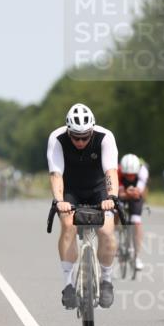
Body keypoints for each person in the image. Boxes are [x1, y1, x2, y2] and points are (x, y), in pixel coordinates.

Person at [47, 103, 120, 309]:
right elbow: (56, 174)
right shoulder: (57, 138)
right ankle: (68, 285)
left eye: (85, 137)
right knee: (68, 226)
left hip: (99, 189)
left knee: (106, 231)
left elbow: (111, 172)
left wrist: (112, 197)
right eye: (76, 137)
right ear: (68, 131)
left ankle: (106, 280)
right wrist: (59, 201)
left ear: (92, 131)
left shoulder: (105, 137)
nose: (80, 142)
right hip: (70, 189)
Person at [117, 153, 149, 271]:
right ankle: (116, 237)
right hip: (122, 193)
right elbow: (119, 192)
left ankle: (136, 256)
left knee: (136, 221)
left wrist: (134, 192)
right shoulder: (118, 171)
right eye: (127, 175)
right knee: (115, 212)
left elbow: (139, 191)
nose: (130, 177)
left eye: (132, 175)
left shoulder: (143, 171)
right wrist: (125, 194)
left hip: (136, 195)